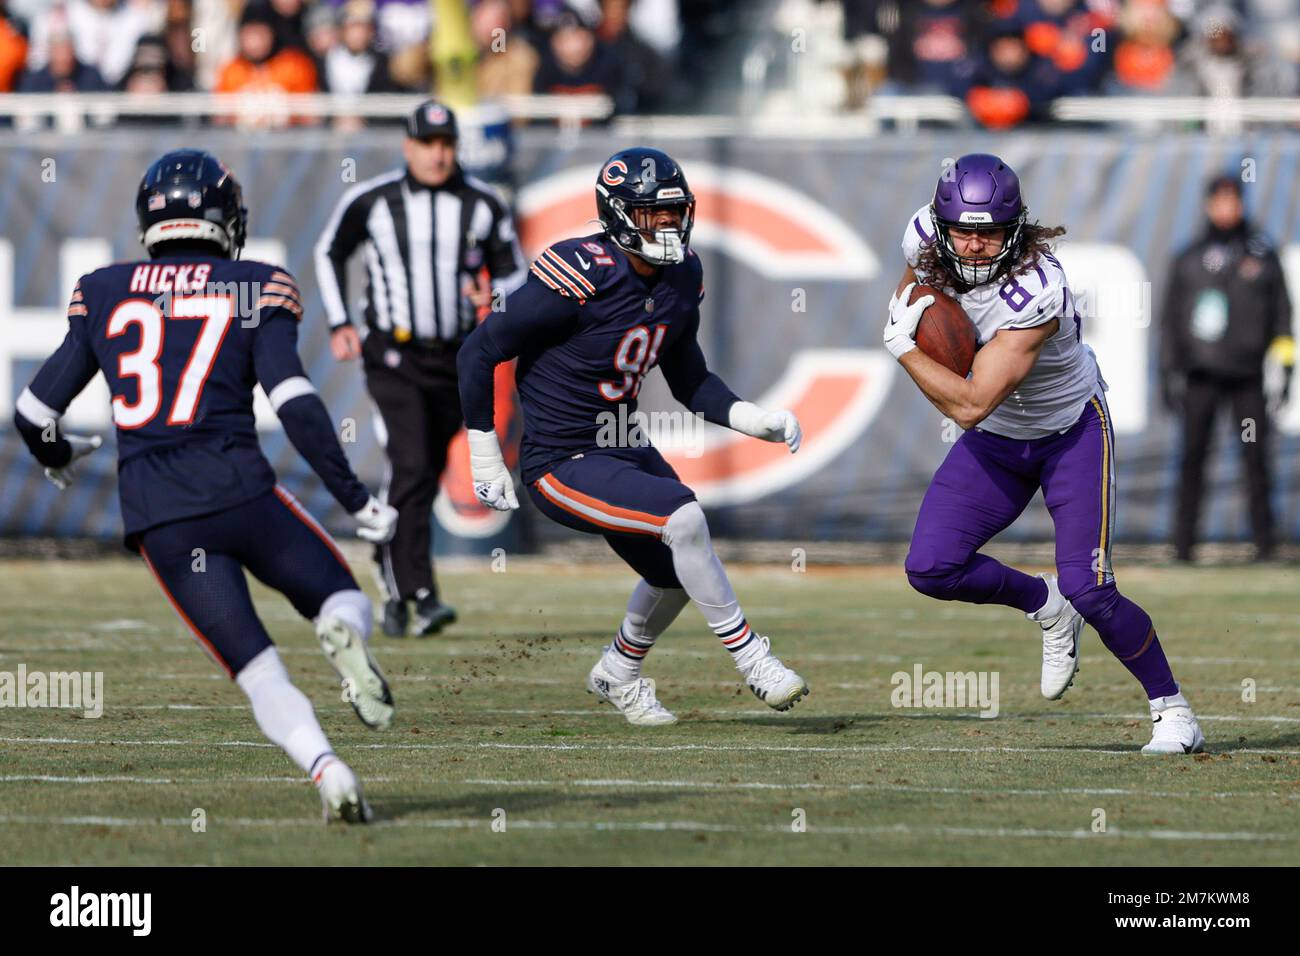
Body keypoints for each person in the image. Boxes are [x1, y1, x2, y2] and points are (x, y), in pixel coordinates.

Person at [12, 149, 400, 822]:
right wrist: (355, 496)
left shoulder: (105, 289)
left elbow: (33, 412)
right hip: (242, 491)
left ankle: (327, 768)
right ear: (223, 218)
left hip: (161, 516)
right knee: (341, 598)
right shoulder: (255, 284)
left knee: (257, 671)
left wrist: (57, 451)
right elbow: (296, 399)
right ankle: (341, 637)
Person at [456, 147, 809, 726]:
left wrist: (753, 418)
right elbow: (480, 350)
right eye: (654, 214)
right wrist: (484, 451)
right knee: (685, 520)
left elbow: (690, 379)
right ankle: (753, 661)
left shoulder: (682, 275)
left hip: (621, 441)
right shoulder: (580, 272)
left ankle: (617, 672)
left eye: (674, 212)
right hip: (559, 457)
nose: (668, 225)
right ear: (620, 214)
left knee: (674, 571)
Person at [887, 153, 1204, 754]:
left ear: (1016, 229)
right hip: (1000, 440)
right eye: (964, 231)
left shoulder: (1037, 290)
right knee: (930, 567)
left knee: (1091, 587)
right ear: (940, 222)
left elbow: (969, 405)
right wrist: (914, 312)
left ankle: (1173, 710)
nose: (976, 246)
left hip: (1069, 431)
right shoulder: (924, 235)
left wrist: (903, 346)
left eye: (990, 233)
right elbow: (914, 286)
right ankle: (1045, 604)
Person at [315, 101, 526, 637]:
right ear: (408, 146)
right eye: (427, 143)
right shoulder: (373, 200)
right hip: (393, 354)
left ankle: (392, 581)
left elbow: (514, 273)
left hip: (455, 356)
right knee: (410, 465)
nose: (437, 154)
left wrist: (492, 294)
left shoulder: (482, 203)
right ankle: (422, 592)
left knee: (424, 472)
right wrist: (340, 321)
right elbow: (328, 251)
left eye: (446, 144)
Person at [1161, 173, 1293, 562]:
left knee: (1255, 460)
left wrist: (1286, 369)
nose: (1227, 208)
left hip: (1247, 380)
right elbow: (1171, 320)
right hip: (1201, 378)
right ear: (1208, 205)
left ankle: (1265, 546)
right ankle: (1184, 548)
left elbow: (1283, 317)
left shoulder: (1263, 255)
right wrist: (1168, 372)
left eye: (1233, 200)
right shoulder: (1189, 257)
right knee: (1193, 460)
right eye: (1220, 200)